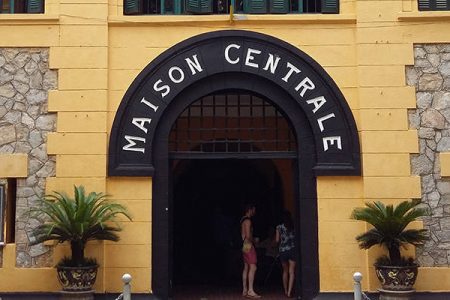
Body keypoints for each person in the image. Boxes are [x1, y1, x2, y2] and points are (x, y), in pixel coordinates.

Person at [240, 203, 261, 299]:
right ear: (250, 210)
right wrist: (255, 240)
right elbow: (248, 236)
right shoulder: (248, 221)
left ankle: (245, 290)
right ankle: (250, 290)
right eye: (254, 210)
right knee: (253, 267)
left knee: (246, 267)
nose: (255, 212)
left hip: (244, 245)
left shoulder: (242, 219)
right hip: (248, 244)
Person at [276, 210, 296, 298]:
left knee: (285, 271)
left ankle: (285, 290)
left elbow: (277, 240)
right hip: (292, 250)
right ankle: (289, 292)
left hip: (283, 250)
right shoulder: (293, 226)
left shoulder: (279, 227)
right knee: (292, 272)